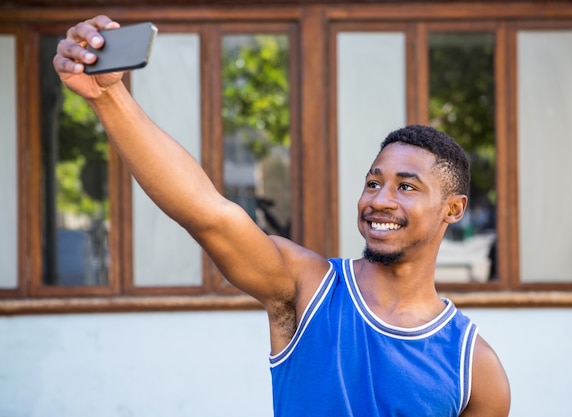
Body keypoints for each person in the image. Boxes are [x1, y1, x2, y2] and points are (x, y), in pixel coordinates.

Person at [53, 15, 510, 416]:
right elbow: (208, 213)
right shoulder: (305, 288)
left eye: (406, 187)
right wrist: (108, 99)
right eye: (373, 182)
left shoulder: (475, 371)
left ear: (453, 209)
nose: (379, 200)